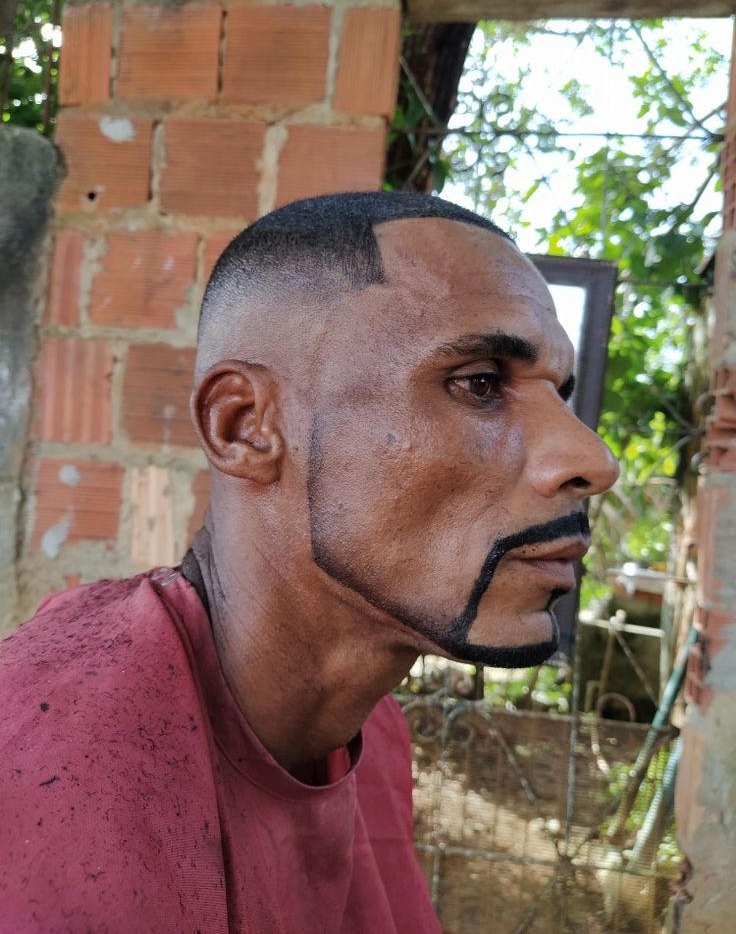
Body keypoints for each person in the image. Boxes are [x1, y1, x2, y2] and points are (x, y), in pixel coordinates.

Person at [0, 192, 619, 932]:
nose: (592, 459)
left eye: (559, 394)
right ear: (245, 427)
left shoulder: (370, 731)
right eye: (480, 382)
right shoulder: (44, 771)